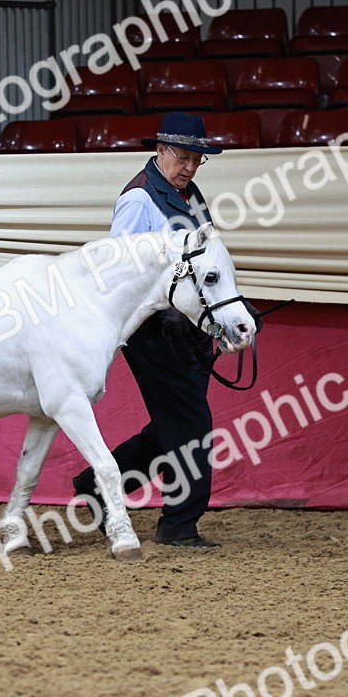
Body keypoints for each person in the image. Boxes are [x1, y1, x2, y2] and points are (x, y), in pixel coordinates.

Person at [72, 111, 225, 549]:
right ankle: (179, 524)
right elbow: (117, 272)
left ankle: (97, 485)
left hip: (188, 331)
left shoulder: (189, 193)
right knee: (192, 427)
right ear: (159, 151)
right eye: (183, 157)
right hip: (155, 335)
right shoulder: (139, 200)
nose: (191, 167)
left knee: (170, 427)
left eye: (198, 159)